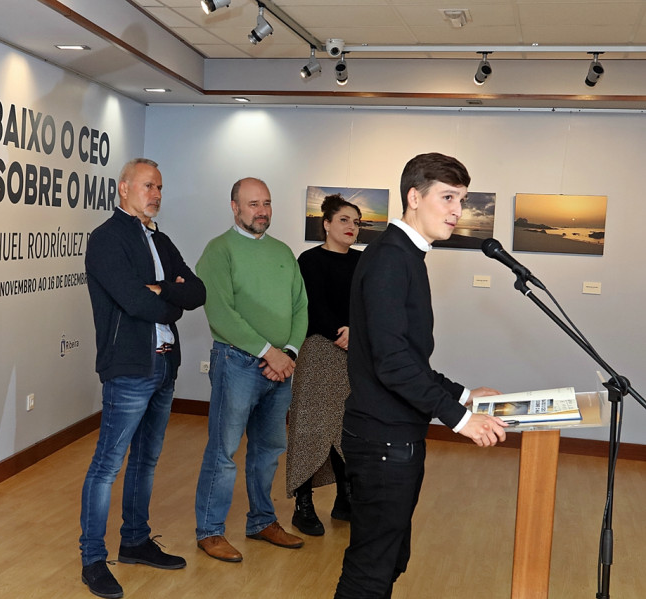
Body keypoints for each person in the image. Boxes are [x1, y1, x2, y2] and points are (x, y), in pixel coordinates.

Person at [334, 153, 509, 599]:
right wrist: (461, 418)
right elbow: (392, 364)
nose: (457, 211)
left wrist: (466, 395)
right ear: (414, 197)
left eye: (463, 200)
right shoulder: (391, 258)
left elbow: (408, 357)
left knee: (390, 559)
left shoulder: (406, 254)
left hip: (394, 435)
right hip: (382, 441)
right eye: (448, 197)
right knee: (371, 568)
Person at [80, 158, 206, 599]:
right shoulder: (106, 239)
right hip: (129, 367)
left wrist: (164, 289)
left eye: (160, 187)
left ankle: (134, 541)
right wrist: (167, 298)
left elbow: (197, 291)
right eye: (148, 186)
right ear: (123, 188)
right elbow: (135, 302)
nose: (155, 194)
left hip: (164, 363)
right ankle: (93, 560)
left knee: (146, 461)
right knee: (107, 465)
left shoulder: (160, 239)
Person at [194, 177, 309, 563]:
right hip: (237, 364)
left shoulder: (283, 252)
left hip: (281, 368)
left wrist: (288, 352)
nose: (262, 211)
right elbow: (221, 313)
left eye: (267, 203)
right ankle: (210, 531)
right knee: (224, 450)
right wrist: (268, 352)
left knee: (270, 449)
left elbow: (300, 307)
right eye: (253, 204)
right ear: (235, 207)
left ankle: (262, 520)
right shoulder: (219, 251)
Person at [286, 194, 362, 537]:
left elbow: (371, 305)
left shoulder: (364, 262)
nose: (351, 227)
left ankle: (345, 499)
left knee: (347, 429)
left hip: (355, 353)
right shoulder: (310, 260)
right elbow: (310, 305)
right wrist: (339, 331)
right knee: (311, 427)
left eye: (356, 222)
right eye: (344, 220)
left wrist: (355, 331)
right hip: (318, 350)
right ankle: (303, 506)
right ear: (327, 224)